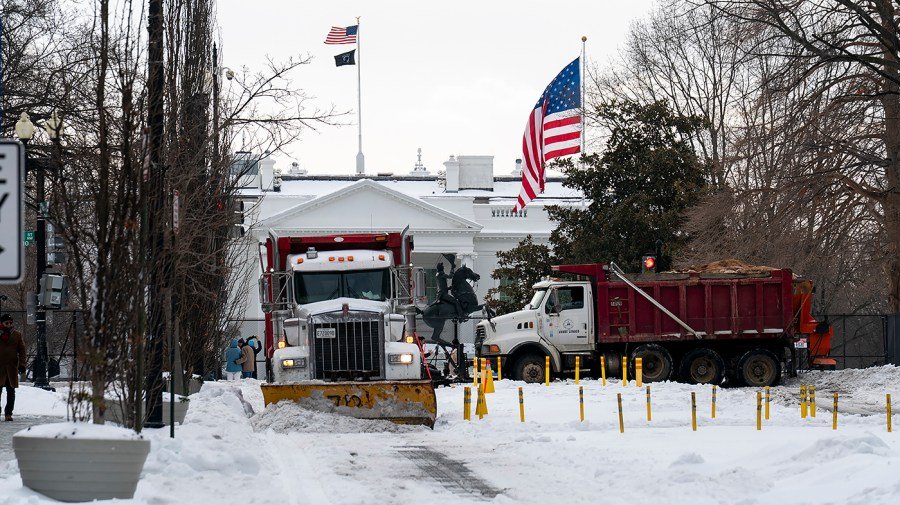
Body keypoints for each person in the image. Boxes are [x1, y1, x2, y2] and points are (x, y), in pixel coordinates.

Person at [0, 314, 26, 421]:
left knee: (11, 392)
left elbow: (22, 350)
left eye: (11, 323)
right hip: (0, 368)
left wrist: (22, 364)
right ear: (2, 323)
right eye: (7, 323)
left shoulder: (17, 335)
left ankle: (8, 413)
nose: (9, 325)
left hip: (11, 368)